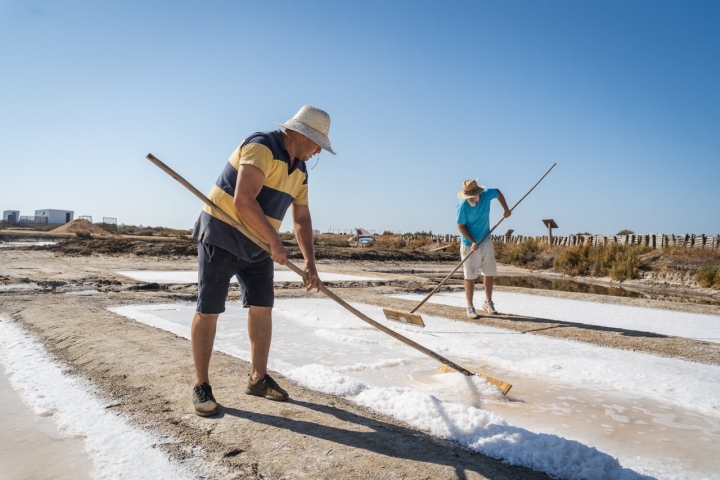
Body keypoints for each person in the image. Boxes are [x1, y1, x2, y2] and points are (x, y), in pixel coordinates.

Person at [190, 105, 335, 416]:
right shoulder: (261, 146)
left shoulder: (300, 170)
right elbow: (243, 200)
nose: (317, 152)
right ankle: (201, 384)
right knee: (210, 308)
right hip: (222, 235)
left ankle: (257, 378)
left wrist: (310, 263)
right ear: (301, 134)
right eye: (316, 145)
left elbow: (302, 218)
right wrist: (274, 240)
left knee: (262, 308)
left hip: (258, 247)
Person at [456, 179, 511, 318]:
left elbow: (498, 192)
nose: (471, 199)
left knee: (489, 271)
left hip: (486, 240)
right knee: (470, 275)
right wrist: (473, 241)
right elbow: (461, 226)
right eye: (468, 197)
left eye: (472, 196)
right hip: (469, 244)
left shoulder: (486, 194)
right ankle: (470, 307)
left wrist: (506, 209)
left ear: (478, 193)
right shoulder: (463, 206)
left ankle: (488, 302)